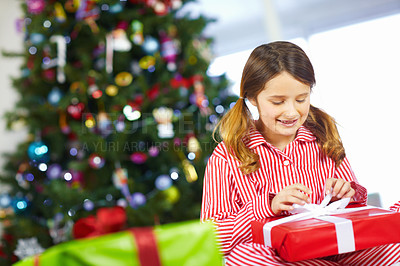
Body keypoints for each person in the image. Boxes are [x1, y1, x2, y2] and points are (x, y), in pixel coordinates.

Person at [201, 41, 400, 265]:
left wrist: (346, 194)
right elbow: (213, 238)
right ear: (252, 98)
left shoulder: (324, 137)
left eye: (301, 99)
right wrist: (267, 207)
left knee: (394, 245)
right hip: (277, 257)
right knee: (245, 259)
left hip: (340, 251)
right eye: (278, 102)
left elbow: (355, 216)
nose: (291, 111)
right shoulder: (227, 156)